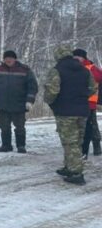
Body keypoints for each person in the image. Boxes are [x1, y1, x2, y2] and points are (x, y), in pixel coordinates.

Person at [44, 44, 96, 185]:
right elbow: (93, 88)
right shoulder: (85, 70)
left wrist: (51, 102)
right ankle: (69, 166)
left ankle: (76, 173)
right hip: (83, 111)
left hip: (65, 112)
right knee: (77, 141)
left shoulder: (57, 70)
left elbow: (52, 91)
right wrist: (81, 96)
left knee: (69, 142)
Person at [0, 50, 38, 153]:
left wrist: (29, 101)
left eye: (10, 58)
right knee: (4, 127)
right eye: (6, 58)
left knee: (20, 127)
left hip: (19, 105)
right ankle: (6, 145)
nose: (8, 60)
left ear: (15, 59)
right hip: (3, 104)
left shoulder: (25, 70)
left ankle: (21, 146)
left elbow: (32, 87)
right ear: (4, 59)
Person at [73, 48, 102, 158]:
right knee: (79, 126)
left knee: (92, 125)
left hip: (90, 102)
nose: (76, 59)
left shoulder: (92, 68)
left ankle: (96, 145)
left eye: (78, 57)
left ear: (83, 58)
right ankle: (80, 148)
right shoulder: (74, 67)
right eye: (74, 57)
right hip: (77, 102)